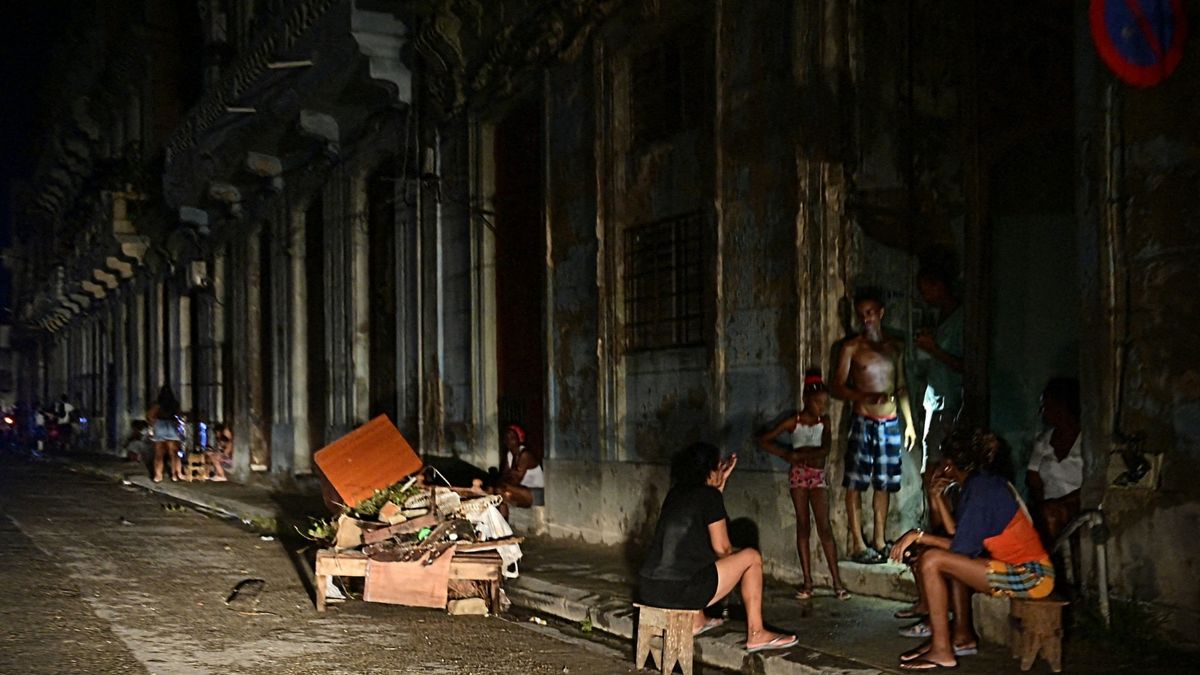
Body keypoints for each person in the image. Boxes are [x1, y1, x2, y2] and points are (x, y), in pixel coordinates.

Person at [889, 428, 1053, 670]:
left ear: (948, 464)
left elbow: (962, 547)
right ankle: (950, 640)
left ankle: (942, 650)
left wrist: (918, 536)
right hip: (1018, 570)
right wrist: (937, 496)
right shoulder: (978, 485)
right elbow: (959, 536)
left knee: (932, 560)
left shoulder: (983, 490)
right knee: (939, 558)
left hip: (1031, 576)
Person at [638, 442, 798, 653]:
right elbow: (722, 549)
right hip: (676, 593)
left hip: (648, 588)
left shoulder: (675, 493)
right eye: (718, 467)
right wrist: (738, 565)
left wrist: (718, 489)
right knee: (751, 557)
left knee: (694, 561)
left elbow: (691, 543)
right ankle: (757, 633)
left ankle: (697, 621)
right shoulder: (709, 496)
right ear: (710, 471)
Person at [831, 287, 917, 563]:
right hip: (863, 419)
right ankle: (857, 542)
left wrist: (910, 424)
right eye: (861, 315)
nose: (865, 319)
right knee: (856, 481)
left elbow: (901, 386)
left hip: (890, 421)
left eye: (869, 313)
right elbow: (837, 386)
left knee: (885, 483)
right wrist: (864, 396)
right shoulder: (852, 347)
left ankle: (879, 539)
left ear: (881, 313)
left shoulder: (895, 347)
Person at [757, 368, 850, 600]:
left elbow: (825, 449)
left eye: (825, 403)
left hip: (816, 476)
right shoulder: (794, 421)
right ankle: (808, 582)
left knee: (824, 527)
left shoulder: (824, 421)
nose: (823, 407)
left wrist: (798, 454)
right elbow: (764, 440)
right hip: (799, 475)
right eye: (819, 403)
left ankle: (837, 581)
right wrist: (787, 454)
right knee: (802, 525)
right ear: (806, 400)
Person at [914, 266, 964, 531]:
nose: (923, 295)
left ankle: (946, 536)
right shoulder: (940, 317)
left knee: (941, 474)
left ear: (940, 285)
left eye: (926, 289)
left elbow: (966, 365)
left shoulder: (962, 319)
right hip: (934, 402)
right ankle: (938, 534)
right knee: (930, 474)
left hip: (950, 404)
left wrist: (934, 349)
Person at [1026, 377, 1082, 546]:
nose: (1042, 412)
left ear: (1061, 408)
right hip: (1048, 509)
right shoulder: (1043, 441)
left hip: (1078, 504)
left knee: (1051, 515)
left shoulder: (1088, 441)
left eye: (1046, 407)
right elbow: (1033, 482)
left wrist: (1060, 504)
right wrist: (1043, 505)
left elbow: (1095, 484)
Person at [492, 423, 544, 519]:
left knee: (499, 489)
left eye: (512, 438)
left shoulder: (525, 455)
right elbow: (504, 475)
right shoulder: (509, 455)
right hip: (520, 491)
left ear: (519, 439)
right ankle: (504, 526)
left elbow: (516, 480)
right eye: (507, 438)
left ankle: (504, 525)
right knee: (500, 494)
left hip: (535, 493)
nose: (509, 441)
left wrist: (502, 484)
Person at [147, 385, 184, 482]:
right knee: (173, 453)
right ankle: (175, 475)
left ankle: (158, 476)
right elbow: (179, 415)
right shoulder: (175, 404)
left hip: (160, 425)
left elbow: (150, 415)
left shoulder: (158, 404)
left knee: (159, 454)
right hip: (172, 425)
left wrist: (153, 425)